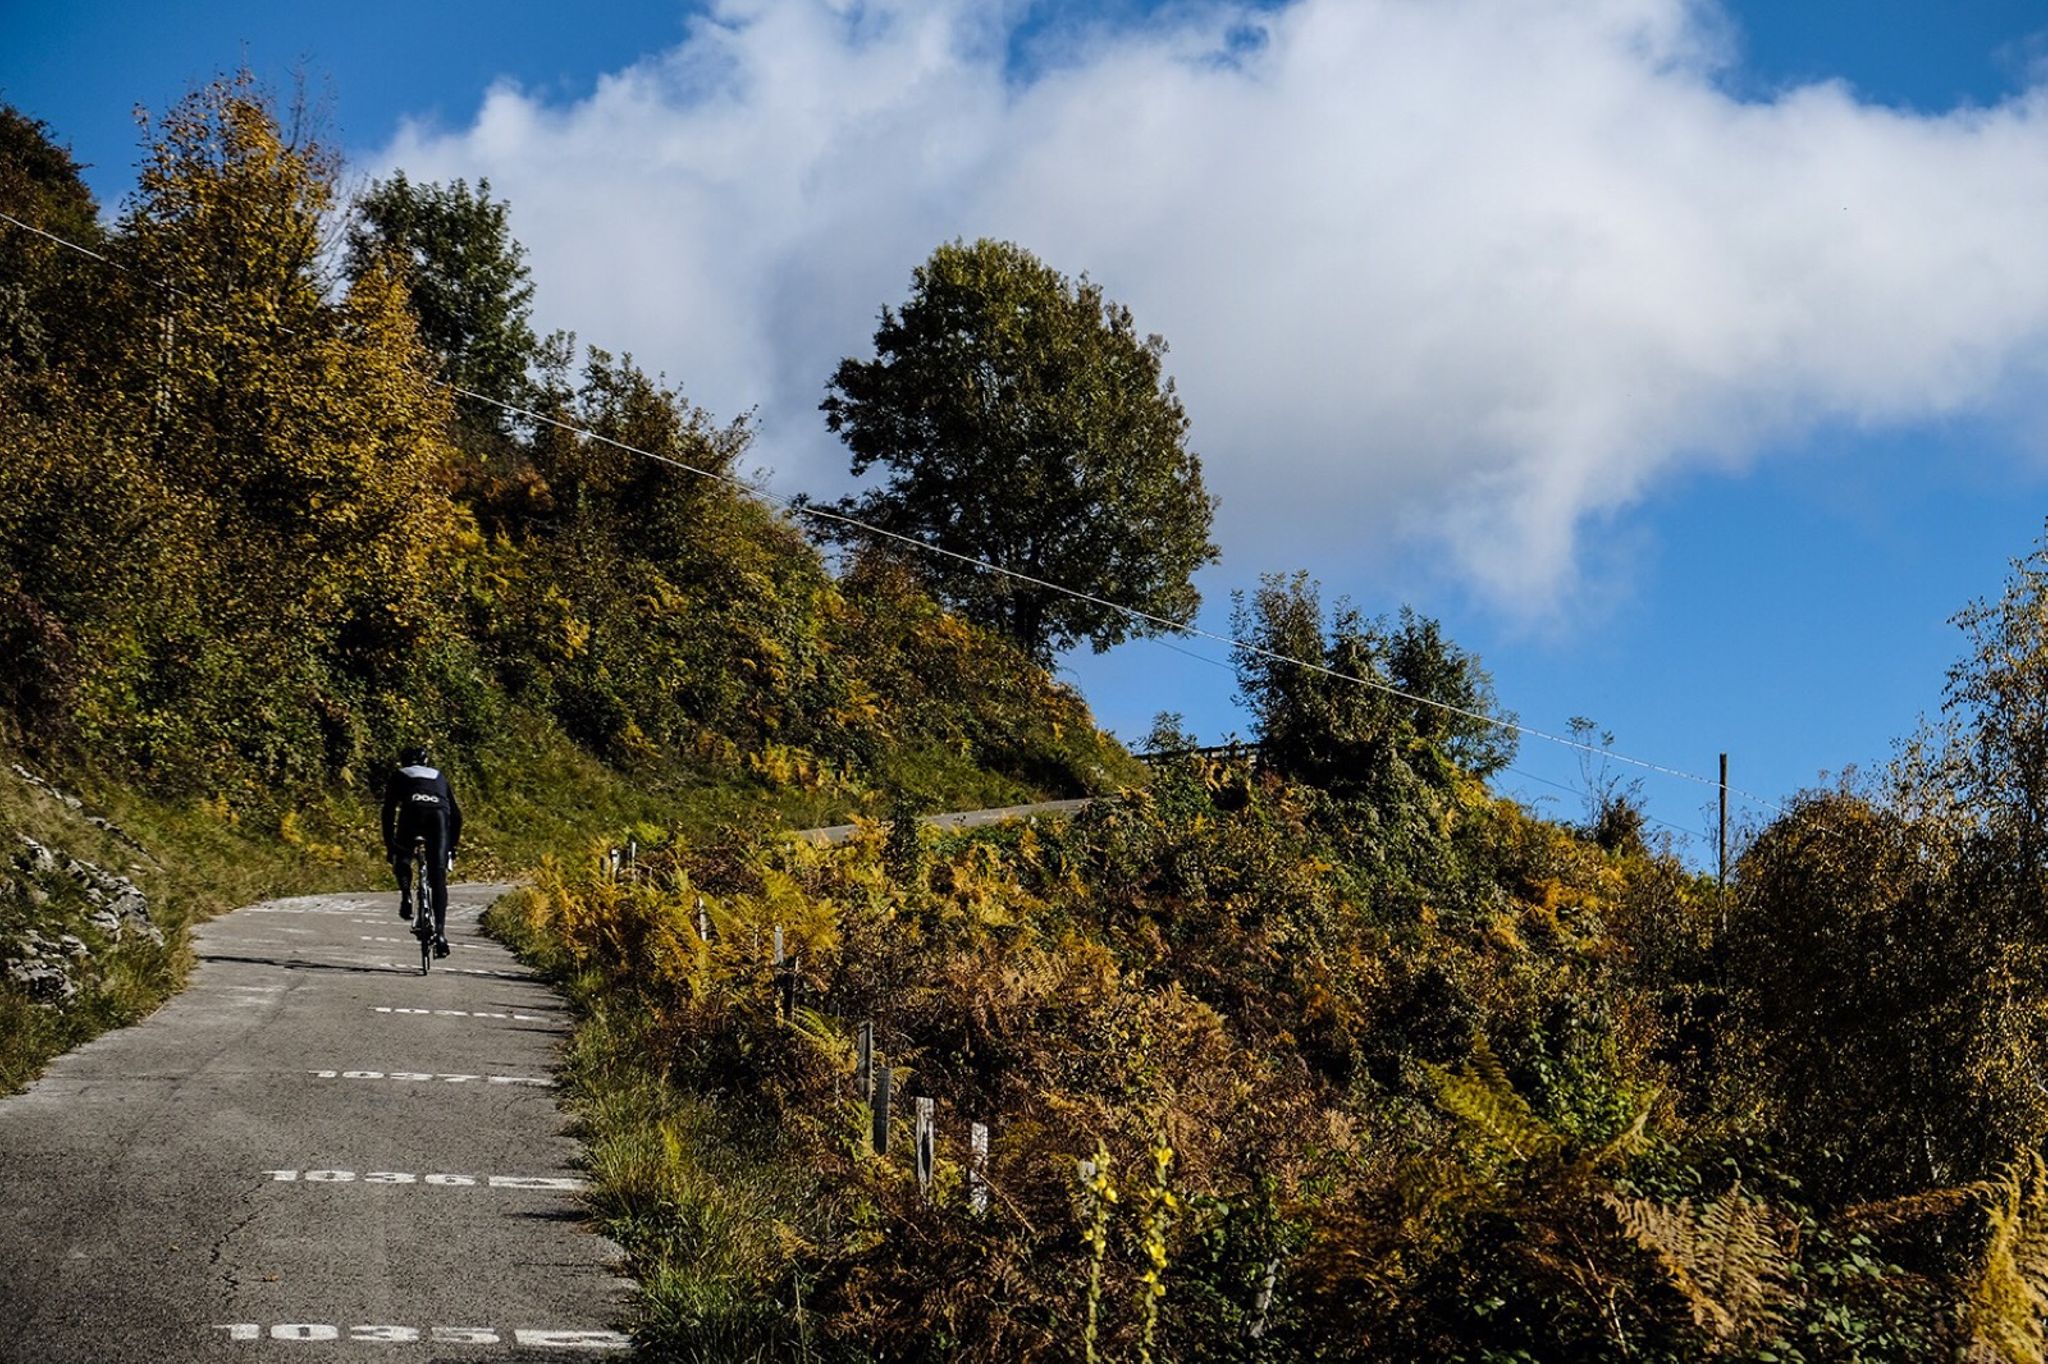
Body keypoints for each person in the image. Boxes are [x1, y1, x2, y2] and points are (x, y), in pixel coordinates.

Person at [380, 745, 463, 958]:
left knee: (404, 857)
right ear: (426, 761)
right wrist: (451, 848)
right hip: (439, 818)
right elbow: (457, 815)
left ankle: (406, 896)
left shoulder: (399, 775)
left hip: (412, 815)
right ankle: (442, 934)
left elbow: (388, 811)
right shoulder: (438, 775)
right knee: (438, 878)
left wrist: (391, 845)